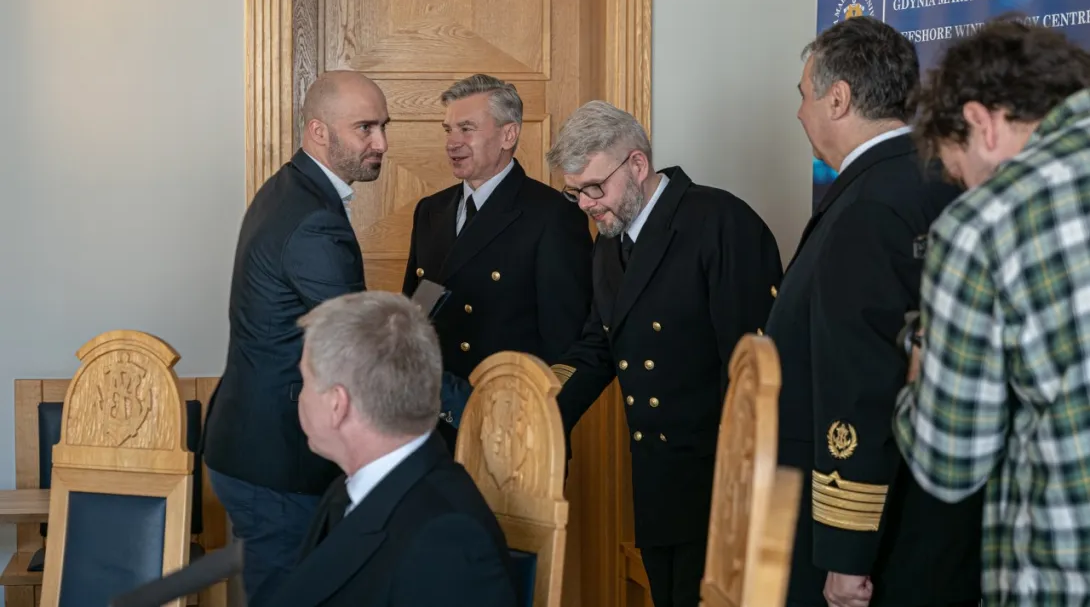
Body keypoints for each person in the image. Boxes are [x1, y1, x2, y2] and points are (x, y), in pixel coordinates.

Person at [762, 16, 982, 607]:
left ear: (838, 98)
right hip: (937, 517)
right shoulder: (940, 179)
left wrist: (845, 552)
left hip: (880, 539)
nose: (800, 113)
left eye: (804, 95)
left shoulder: (868, 205)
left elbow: (860, 385)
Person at [546, 100, 783, 607]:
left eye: (594, 187)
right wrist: (541, 405)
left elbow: (751, 372)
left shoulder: (719, 222)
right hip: (656, 478)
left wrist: (745, 492)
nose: (585, 204)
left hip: (718, 481)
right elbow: (598, 346)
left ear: (637, 164)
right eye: (575, 192)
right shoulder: (610, 240)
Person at [894, 17, 1090, 607]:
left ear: (982, 122)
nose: (966, 190)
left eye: (962, 174)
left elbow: (951, 464)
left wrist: (922, 358)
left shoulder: (984, 225)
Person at [201, 70, 389, 601]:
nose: (381, 143)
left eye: (383, 126)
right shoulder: (312, 218)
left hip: (252, 445)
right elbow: (359, 346)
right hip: (277, 460)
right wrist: (462, 403)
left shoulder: (290, 189)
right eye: (365, 128)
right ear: (318, 131)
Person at [253, 291, 518, 607]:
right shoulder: (347, 490)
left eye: (306, 382)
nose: (301, 397)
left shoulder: (447, 543)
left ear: (337, 404)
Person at [401, 74, 593, 451]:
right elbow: (417, 314)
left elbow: (565, 343)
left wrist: (536, 428)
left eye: (467, 128)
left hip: (510, 430)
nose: (452, 142)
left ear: (508, 135)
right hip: (430, 425)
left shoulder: (552, 215)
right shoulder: (430, 211)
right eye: (448, 129)